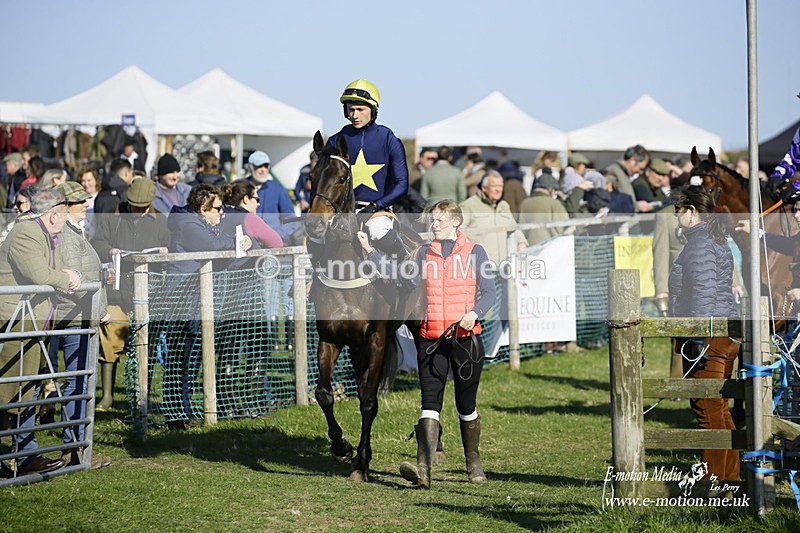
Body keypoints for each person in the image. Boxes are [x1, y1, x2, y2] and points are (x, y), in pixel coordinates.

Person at [390, 200, 496, 488]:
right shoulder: (423, 253)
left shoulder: (475, 252)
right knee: (429, 404)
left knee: (466, 405)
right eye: (432, 220)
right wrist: (370, 252)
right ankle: (423, 469)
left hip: (465, 340)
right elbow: (403, 281)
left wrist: (473, 313)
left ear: (456, 222)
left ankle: (473, 461)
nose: (433, 225)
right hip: (430, 340)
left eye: (439, 220)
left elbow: (489, 292)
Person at [0, 188, 79, 476]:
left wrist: (70, 275)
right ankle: (24, 456)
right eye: (65, 212)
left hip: (31, 322)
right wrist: (67, 280)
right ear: (53, 213)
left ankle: (25, 456)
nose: (67, 217)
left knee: (25, 389)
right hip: (14, 322)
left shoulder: (44, 234)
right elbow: (40, 274)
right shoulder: (26, 233)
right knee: (12, 390)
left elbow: (53, 271)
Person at [163, 184, 252, 430]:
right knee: (181, 360)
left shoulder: (204, 224)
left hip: (197, 299)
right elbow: (213, 247)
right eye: (217, 209)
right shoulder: (188, 224)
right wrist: (236, 240)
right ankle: (176, 416)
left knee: (191, 360)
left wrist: (244, 241)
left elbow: (231, 252)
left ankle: (184, 412)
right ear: (203, 209)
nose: (221, 213)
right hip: (181, 299)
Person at [668, 184, 740, 481]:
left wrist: (697, 341)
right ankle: (730, 479)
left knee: (707, 409)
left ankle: (714, 481)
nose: (676, 217)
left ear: (692, 211)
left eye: (678, 210)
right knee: (719, 409)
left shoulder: (700, 245)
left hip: (709, 337)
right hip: (720, 334)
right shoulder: (713, 239)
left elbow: (703, 295)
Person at [48, 181, 112, 469]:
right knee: (76, 381)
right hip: (74, 315)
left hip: (78, 314)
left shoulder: (73, 231)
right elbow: (75, 280)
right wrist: (100, 308)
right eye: (81, 201)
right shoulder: (67, 235)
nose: (87, 204)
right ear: (65, 207)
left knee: (76, 380)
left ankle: (73, 447)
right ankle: (73, 449)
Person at [91, 177, 170, 410]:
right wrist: (110, 250)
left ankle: (141, 394)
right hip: (117, 291)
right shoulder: (113, 216)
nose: (137, 210)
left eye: (142, 206)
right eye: (134, 205)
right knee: (110, 339)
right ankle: (107, 395)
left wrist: (165, 252)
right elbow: (97, 242)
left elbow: (170, 247)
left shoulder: (161, 221)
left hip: (147, 293)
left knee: (144, 344)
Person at [326, 79, 409, 257]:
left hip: (377, 211)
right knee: (317, 235)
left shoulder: (389, 139)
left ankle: (406, 266)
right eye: (351, 109)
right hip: (342, 211)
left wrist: (375, 206)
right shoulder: (335, 141)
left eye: (360, 110)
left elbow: (402, 184)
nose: (355, 115)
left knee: (378, 231)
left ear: (373, 110)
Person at [459, 171, 528, 266]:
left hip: (504, 265)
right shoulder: (468, 206)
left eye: (501, 186)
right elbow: (458, 232)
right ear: (484, 188)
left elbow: (514, 228)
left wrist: (522, 243)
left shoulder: (504, 206)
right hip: (479, 266)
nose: (498, 190)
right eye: (494, 186)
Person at [246, 151, 299, 243]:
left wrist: (275, 236)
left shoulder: (278, 189)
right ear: (250, 167)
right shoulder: (240, 187)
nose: (263, 170)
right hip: (247, 244)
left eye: (266, 166)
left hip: (272, 246)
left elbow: (291, 220)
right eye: (259, 166)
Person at [518, 172, 570, 245]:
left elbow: (518, 228)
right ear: (550, 189)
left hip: (528, 248)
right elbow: (566, 227)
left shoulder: (524, 204)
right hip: (549, 248)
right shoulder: (555, 204)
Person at [603, 144, 650, 211]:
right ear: (632, 160)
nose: (641, 172)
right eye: (640, 168)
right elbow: (609, 203)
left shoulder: (622, 174)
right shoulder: (612, 174)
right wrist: (636, 206)